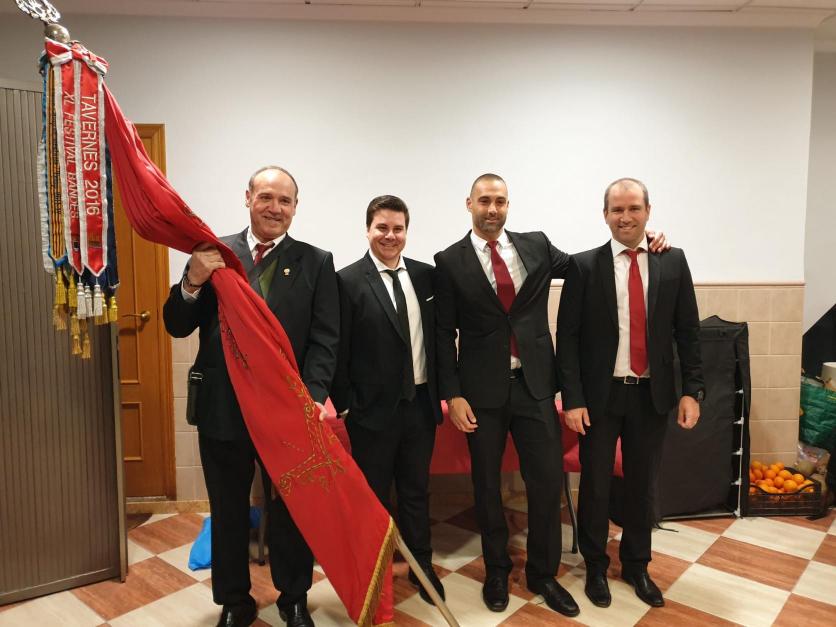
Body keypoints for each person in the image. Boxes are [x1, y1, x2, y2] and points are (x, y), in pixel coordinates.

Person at [435, 173, 667, 618]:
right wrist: (453, 394)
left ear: (508, 205)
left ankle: (543, 573)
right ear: (469, 204)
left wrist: (644, 240)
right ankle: (497, 570)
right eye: (484, 201)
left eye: (500, 201)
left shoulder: (537, 245)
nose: (492, 209)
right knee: (487, 487)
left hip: (536, 387)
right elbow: (443, 333)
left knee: (545, 484)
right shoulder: (449, 261)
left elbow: (589, 264)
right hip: (480, 393)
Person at [163, 166, 339, 627]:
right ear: (247, 198)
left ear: (295, 207)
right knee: (227, 509)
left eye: (285, 200)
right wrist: (192, 280)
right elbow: (176, 324)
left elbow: (325, 339)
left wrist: (314, 396)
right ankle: (235, 600)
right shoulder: (214, 255)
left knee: (294, 509)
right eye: (266, 197)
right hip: (224, 408)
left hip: (287, 413)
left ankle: (293, 597)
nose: (274, 208)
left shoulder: (316, 261)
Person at [556, 177, 704, 610]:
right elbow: (568, 337)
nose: (626, 217)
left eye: (634, 208)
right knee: (596, 486)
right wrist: (573, 399)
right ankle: (595, 566)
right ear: (605, 215)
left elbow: (688, 331)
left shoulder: (672, 261)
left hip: (651, 396)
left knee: (642, 485)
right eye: (617, 209)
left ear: (648, 211)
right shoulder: (583, 266)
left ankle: (637, 565)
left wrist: (692, 390)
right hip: (600, 398)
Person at [331, 195, 445, 605]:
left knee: (416, 491)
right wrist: (347, 405)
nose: (390, 236)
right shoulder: (346, 281)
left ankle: (422, 567)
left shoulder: (427, 277)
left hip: (420, 406)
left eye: (398, 228)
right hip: (370, 414)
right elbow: (338, 350)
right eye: (382, 227)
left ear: (406, 232)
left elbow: (439, 339)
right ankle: (373, 570)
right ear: (368, 230)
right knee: (373, 497)